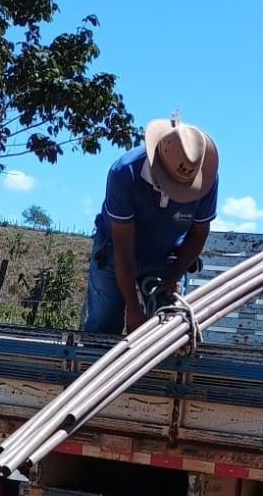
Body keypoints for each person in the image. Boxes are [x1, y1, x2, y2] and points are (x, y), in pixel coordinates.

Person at [81, 114, 219, 335]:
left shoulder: (205, 178)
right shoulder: (125, 173)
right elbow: (123, 248)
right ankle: (96, 362)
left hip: (165, 254)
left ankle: (162, 369)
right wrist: (133, 311)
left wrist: (172, 278)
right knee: (104, 322)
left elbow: (198, 233)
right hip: (115, 250)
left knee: (170, 325)